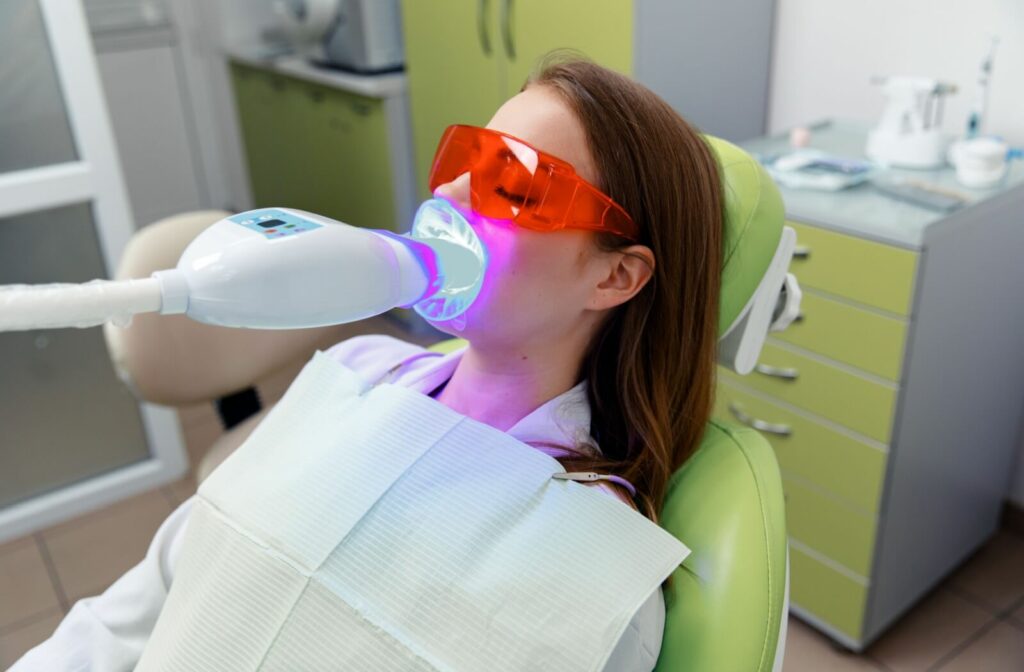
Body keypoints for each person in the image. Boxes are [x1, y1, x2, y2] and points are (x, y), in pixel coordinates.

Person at [12, 56, 723, 671]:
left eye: (515, 182)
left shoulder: (597, 580)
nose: (445, 196)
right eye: (464, 160)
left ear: (616, 278)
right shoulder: (355, 370)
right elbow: (156, 591)